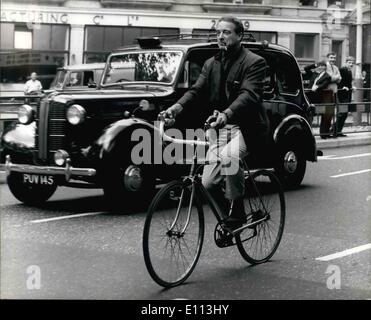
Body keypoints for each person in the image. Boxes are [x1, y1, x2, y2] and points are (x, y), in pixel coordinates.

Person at [164, 16, 268, 230]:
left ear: (239, 36)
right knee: (207, 183)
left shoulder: (254, 62)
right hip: (221, 128)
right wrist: (176, 107)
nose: (221, 36)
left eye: (227, 32)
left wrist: (227, 113)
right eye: (218, 32)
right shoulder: (211, 63)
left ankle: (237, 211)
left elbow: (248, 95)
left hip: (247, 128)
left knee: (230, 157)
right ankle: (228, 222)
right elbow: (196, 91)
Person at [334, 56, 355, 137]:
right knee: (342, 113)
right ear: (346, 62)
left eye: (352, 63)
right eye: (349, 63)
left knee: (345, 113)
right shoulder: (342, 69)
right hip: (342, 94)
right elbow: (339, 80)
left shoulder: (349, 71)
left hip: (347, 94)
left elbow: (348, 83)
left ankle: (339, 130)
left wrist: (352, 87)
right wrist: (342, 87)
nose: (351, 64)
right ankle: (335, 130)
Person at [323, 52, 341, 138]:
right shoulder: (325, 67)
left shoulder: (336, 67)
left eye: (334, 58)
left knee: (332, 112)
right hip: (326, 92)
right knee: (327, 112)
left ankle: (328, 132)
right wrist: (335, 77)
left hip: (334, 91)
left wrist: (334, 78)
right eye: (331, 57)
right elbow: (327, 78)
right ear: (327, 58)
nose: (333, 59)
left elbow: (339, 79)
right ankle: (324, 133)